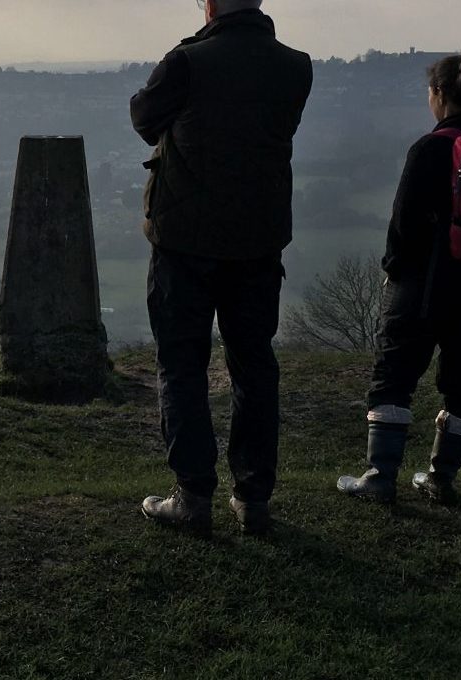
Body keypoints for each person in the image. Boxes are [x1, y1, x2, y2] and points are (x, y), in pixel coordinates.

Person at [131, 0, 313, 536]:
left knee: (182, 365)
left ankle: (192, 496)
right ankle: (253, 499)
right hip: (259, 241)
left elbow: (144, 117)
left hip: (184, 242)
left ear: (208, 4)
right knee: (254, 367)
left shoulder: (187, 62)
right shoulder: (295, 65)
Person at [337, 51, 461, 505]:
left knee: (394, 377)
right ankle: (441, 478)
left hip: (425, 285)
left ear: (438, 94)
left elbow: (403, 227)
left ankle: (380, 478)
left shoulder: (430, 148)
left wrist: (394, 273)